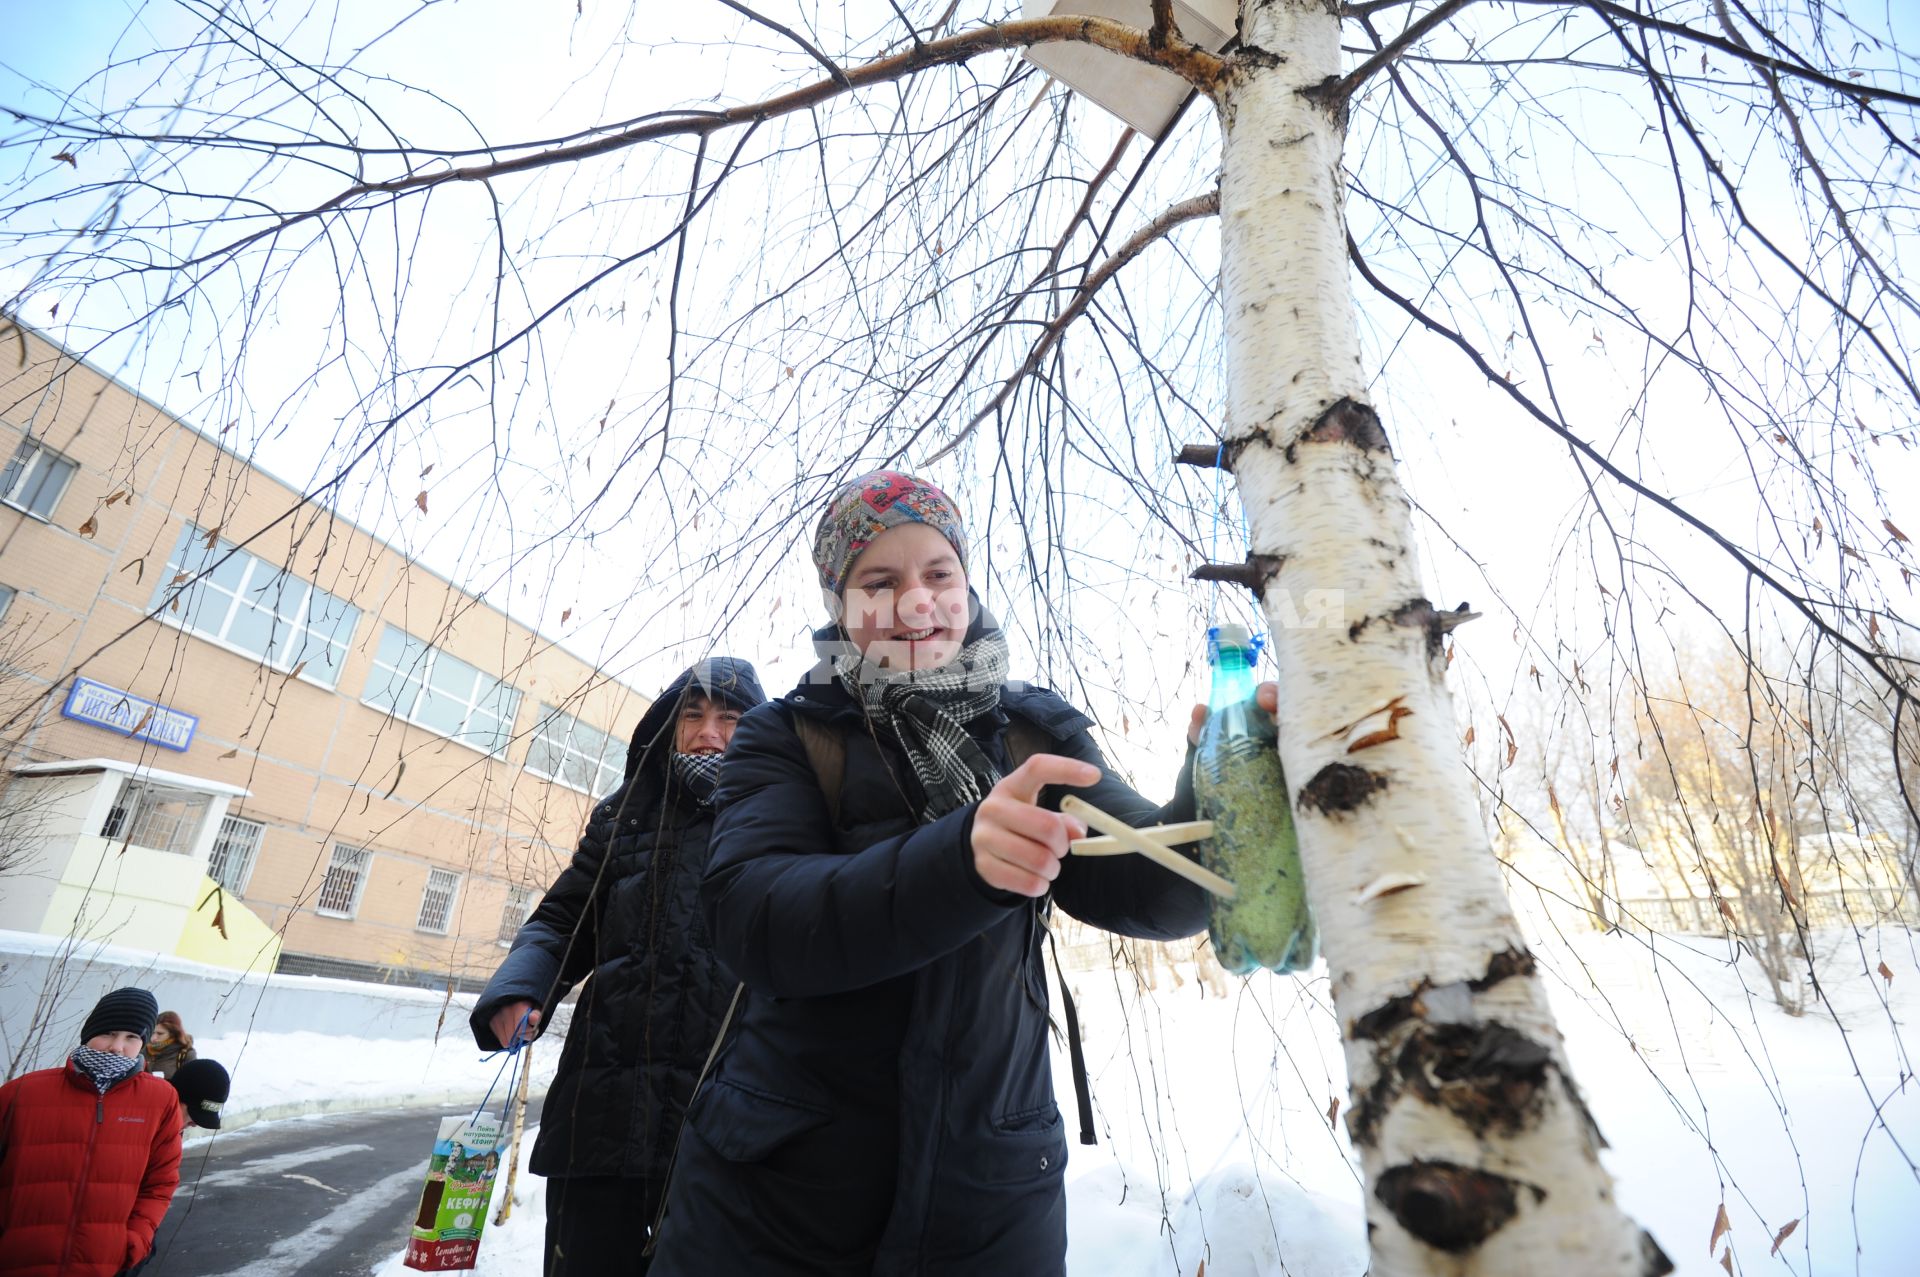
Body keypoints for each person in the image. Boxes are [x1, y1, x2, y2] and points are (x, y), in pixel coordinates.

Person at [650, 471, 1268, 1276]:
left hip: (991, 1200)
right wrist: (959, 862)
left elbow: (1153, 887)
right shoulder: (788, 733)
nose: (917, 601)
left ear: (966, 583)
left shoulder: (1034, 734)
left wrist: (1227, 778)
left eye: (938, 574)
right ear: (841, 604)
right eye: (880, 581)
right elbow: (752, 918)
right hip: (775, 1205)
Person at [470, 658, 766, 1277]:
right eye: (694, 715)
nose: (709, 730)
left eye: (729, 718)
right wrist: (521, 989)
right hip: (603, 1117)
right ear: (671, 725)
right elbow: (561, 921)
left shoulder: (777, 823)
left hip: (721, 1128)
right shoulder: (624, 816)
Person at [0, 987, 184, 1277]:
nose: (116, 1047)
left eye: (131, 1037)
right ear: (88, 1034)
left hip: (103, 1264)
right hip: (17, 1261)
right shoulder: (21, 1093)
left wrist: (136, 1239)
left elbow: (160, 1182)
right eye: (108, 1033)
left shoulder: (160, 1100)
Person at [142, 1012, 195, 1081]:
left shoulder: (185, 1055)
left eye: (160, 1034)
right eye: (152, 1032)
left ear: (173, 1033)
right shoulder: (141, 1048)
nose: (153, 1038)